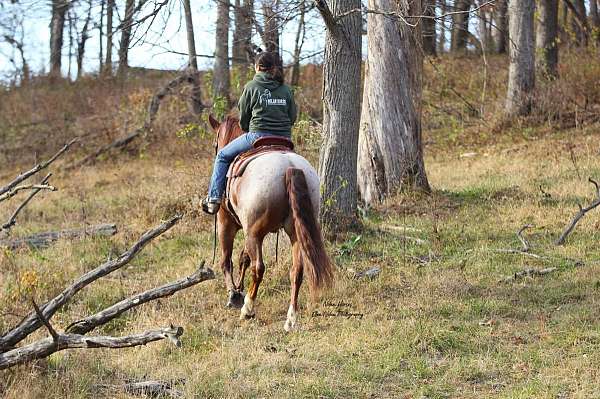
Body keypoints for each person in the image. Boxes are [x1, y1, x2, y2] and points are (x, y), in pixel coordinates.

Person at [202, 52, 298, 215]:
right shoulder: (285, 89)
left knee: (223, 156)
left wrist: (247, 128)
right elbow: (292, 117)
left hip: (257, 136)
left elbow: (244, 119)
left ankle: (214, 197)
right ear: (273, 68)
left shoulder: (251, 87)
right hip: (284, 139)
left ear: (257, 67)